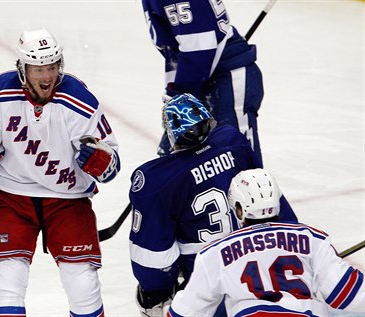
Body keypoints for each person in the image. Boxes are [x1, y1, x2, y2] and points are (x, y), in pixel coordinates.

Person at [0, 28, 121, 317]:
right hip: (11, 197)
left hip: (67, 200)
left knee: (82, 283)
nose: (46, 77)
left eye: (52, 67)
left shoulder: (79, 100)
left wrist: (100, 161)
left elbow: (112, 165)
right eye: (38, 68)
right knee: (7, 280)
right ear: (23, 68)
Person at [128, 94, 297, 316]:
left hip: (207, 286)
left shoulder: (157, 180)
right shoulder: (232, 141)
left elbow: (154, 259)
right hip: (260, 267)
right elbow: (270, 201)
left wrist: (155, 290)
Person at [168, 168, 365, 317]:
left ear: (239, 208)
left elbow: (186, 313)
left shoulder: (214, 253)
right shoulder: (312, 239)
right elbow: (350, 295)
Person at [141, 0, 264, 165]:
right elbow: (177, 51)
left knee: (239, 166)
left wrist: (180, 99)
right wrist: (174, 95)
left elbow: (199, 49)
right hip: (203, 81)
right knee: (179, 166)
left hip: (226, 84)